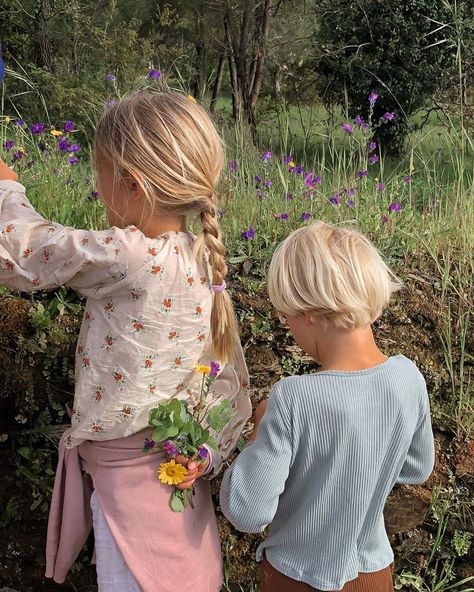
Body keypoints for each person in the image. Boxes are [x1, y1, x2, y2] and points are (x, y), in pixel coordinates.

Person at [0, 92, 251, 592]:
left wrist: (8, 187)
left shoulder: (132, 255)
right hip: (179, 485)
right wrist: (208, 452)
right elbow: (228, 382)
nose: (98, 190)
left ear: (131, 184)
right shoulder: (204, 258)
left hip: (129, 498)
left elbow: (22, 251)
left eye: (100, 175)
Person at [220, 221, 435, 592]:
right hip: (373, 576)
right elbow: (417, 467)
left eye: (286, 317)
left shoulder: (292, 400)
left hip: (296, 578)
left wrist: (259, 429)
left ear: (309, 313)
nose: (289, 329)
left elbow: (247, 511)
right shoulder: (408, 377)